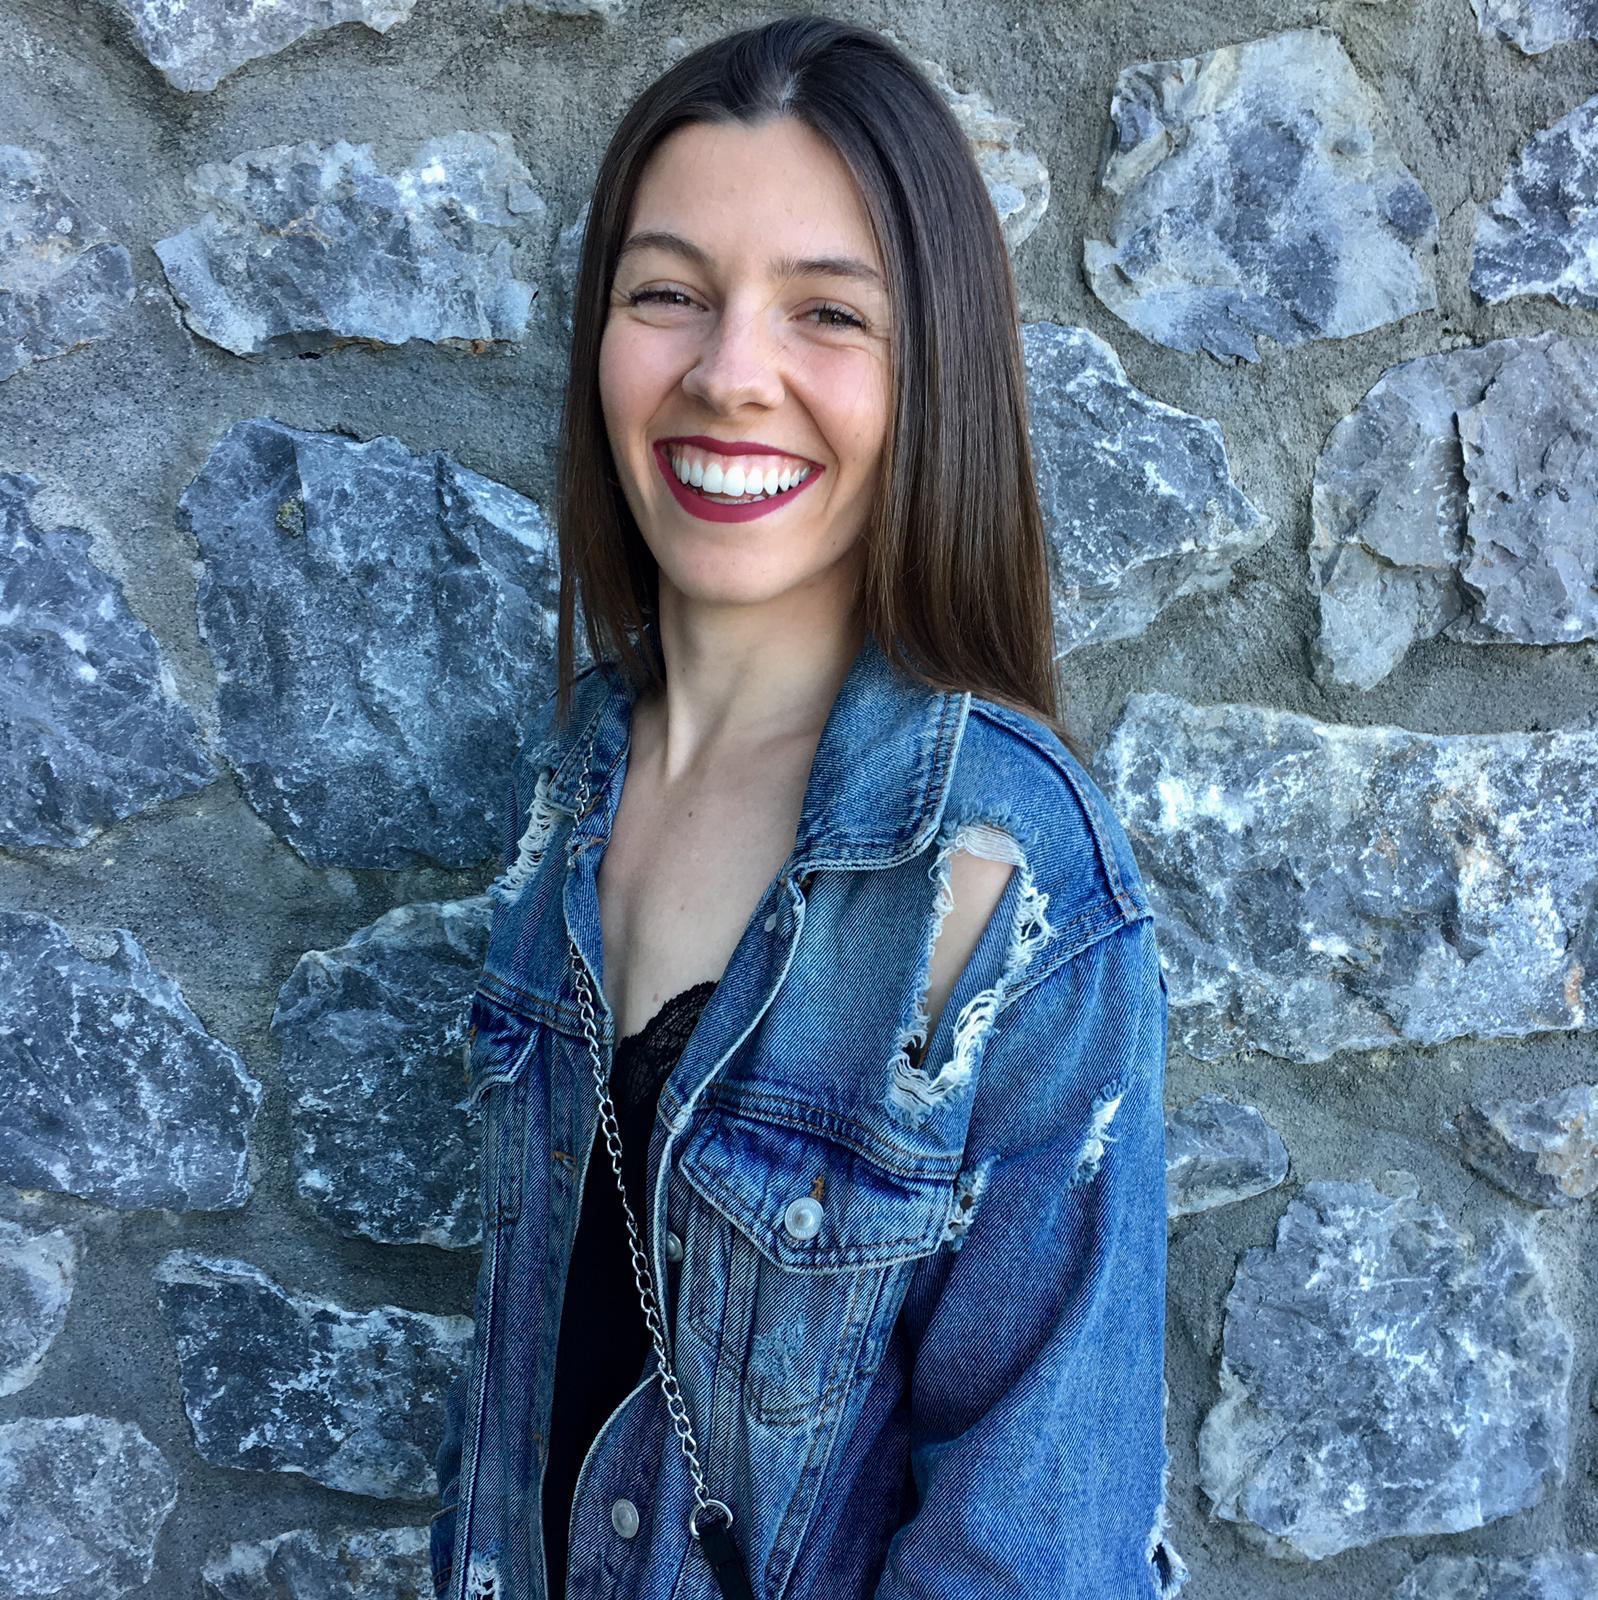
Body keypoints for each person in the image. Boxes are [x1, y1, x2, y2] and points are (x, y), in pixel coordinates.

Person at [432, 16, 1183, 1600]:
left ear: (933, 376)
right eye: (666, 294)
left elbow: (1031, 1554)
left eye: (827, 312)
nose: (727, 374)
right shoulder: (583, 778)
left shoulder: (1006, 875)